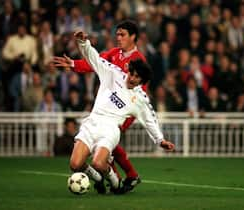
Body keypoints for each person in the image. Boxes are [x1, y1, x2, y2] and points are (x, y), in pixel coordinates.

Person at [69, 30, 175, 194]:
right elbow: (94, 59)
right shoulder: (112, 73)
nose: (131, 78)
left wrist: (160, 140)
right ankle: (97, 179)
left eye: (137, 77)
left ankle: (114, 181)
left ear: (142, 81)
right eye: (131, 73)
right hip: (92, 122)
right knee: (75, 165)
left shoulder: (140, 98)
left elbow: (150, 120)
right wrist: (84, 43)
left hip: (110, 130)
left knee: (98, 163)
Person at [54, 20, 146, 194]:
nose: (118, 38)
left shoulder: (139, 60)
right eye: (117, 34)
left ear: (133, 37)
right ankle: (122, 177)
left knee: (107, 146)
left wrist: (131, 116)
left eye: (122, 34)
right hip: (107, 108)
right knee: (105, 146)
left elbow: (142, 91)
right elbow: (94, 63)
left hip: (125, 111)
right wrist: (74, 64)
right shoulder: (113, 54)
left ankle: (122, 177)